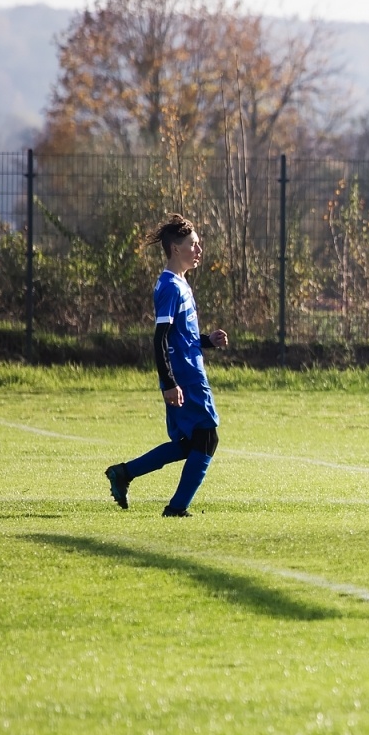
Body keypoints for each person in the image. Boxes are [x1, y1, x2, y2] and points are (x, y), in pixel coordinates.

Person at [104, 214, 227, 517]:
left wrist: (207, 341)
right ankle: (176, 509)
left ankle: (124, 473)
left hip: (188, 371)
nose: (199, 250)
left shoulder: (180, 283)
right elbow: (159, 339)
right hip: (185, 377)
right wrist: (169, 382)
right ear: (176, 249)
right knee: (207, 437)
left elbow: (180, 336)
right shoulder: (169, 287)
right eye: (193, 245)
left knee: (191, 444)